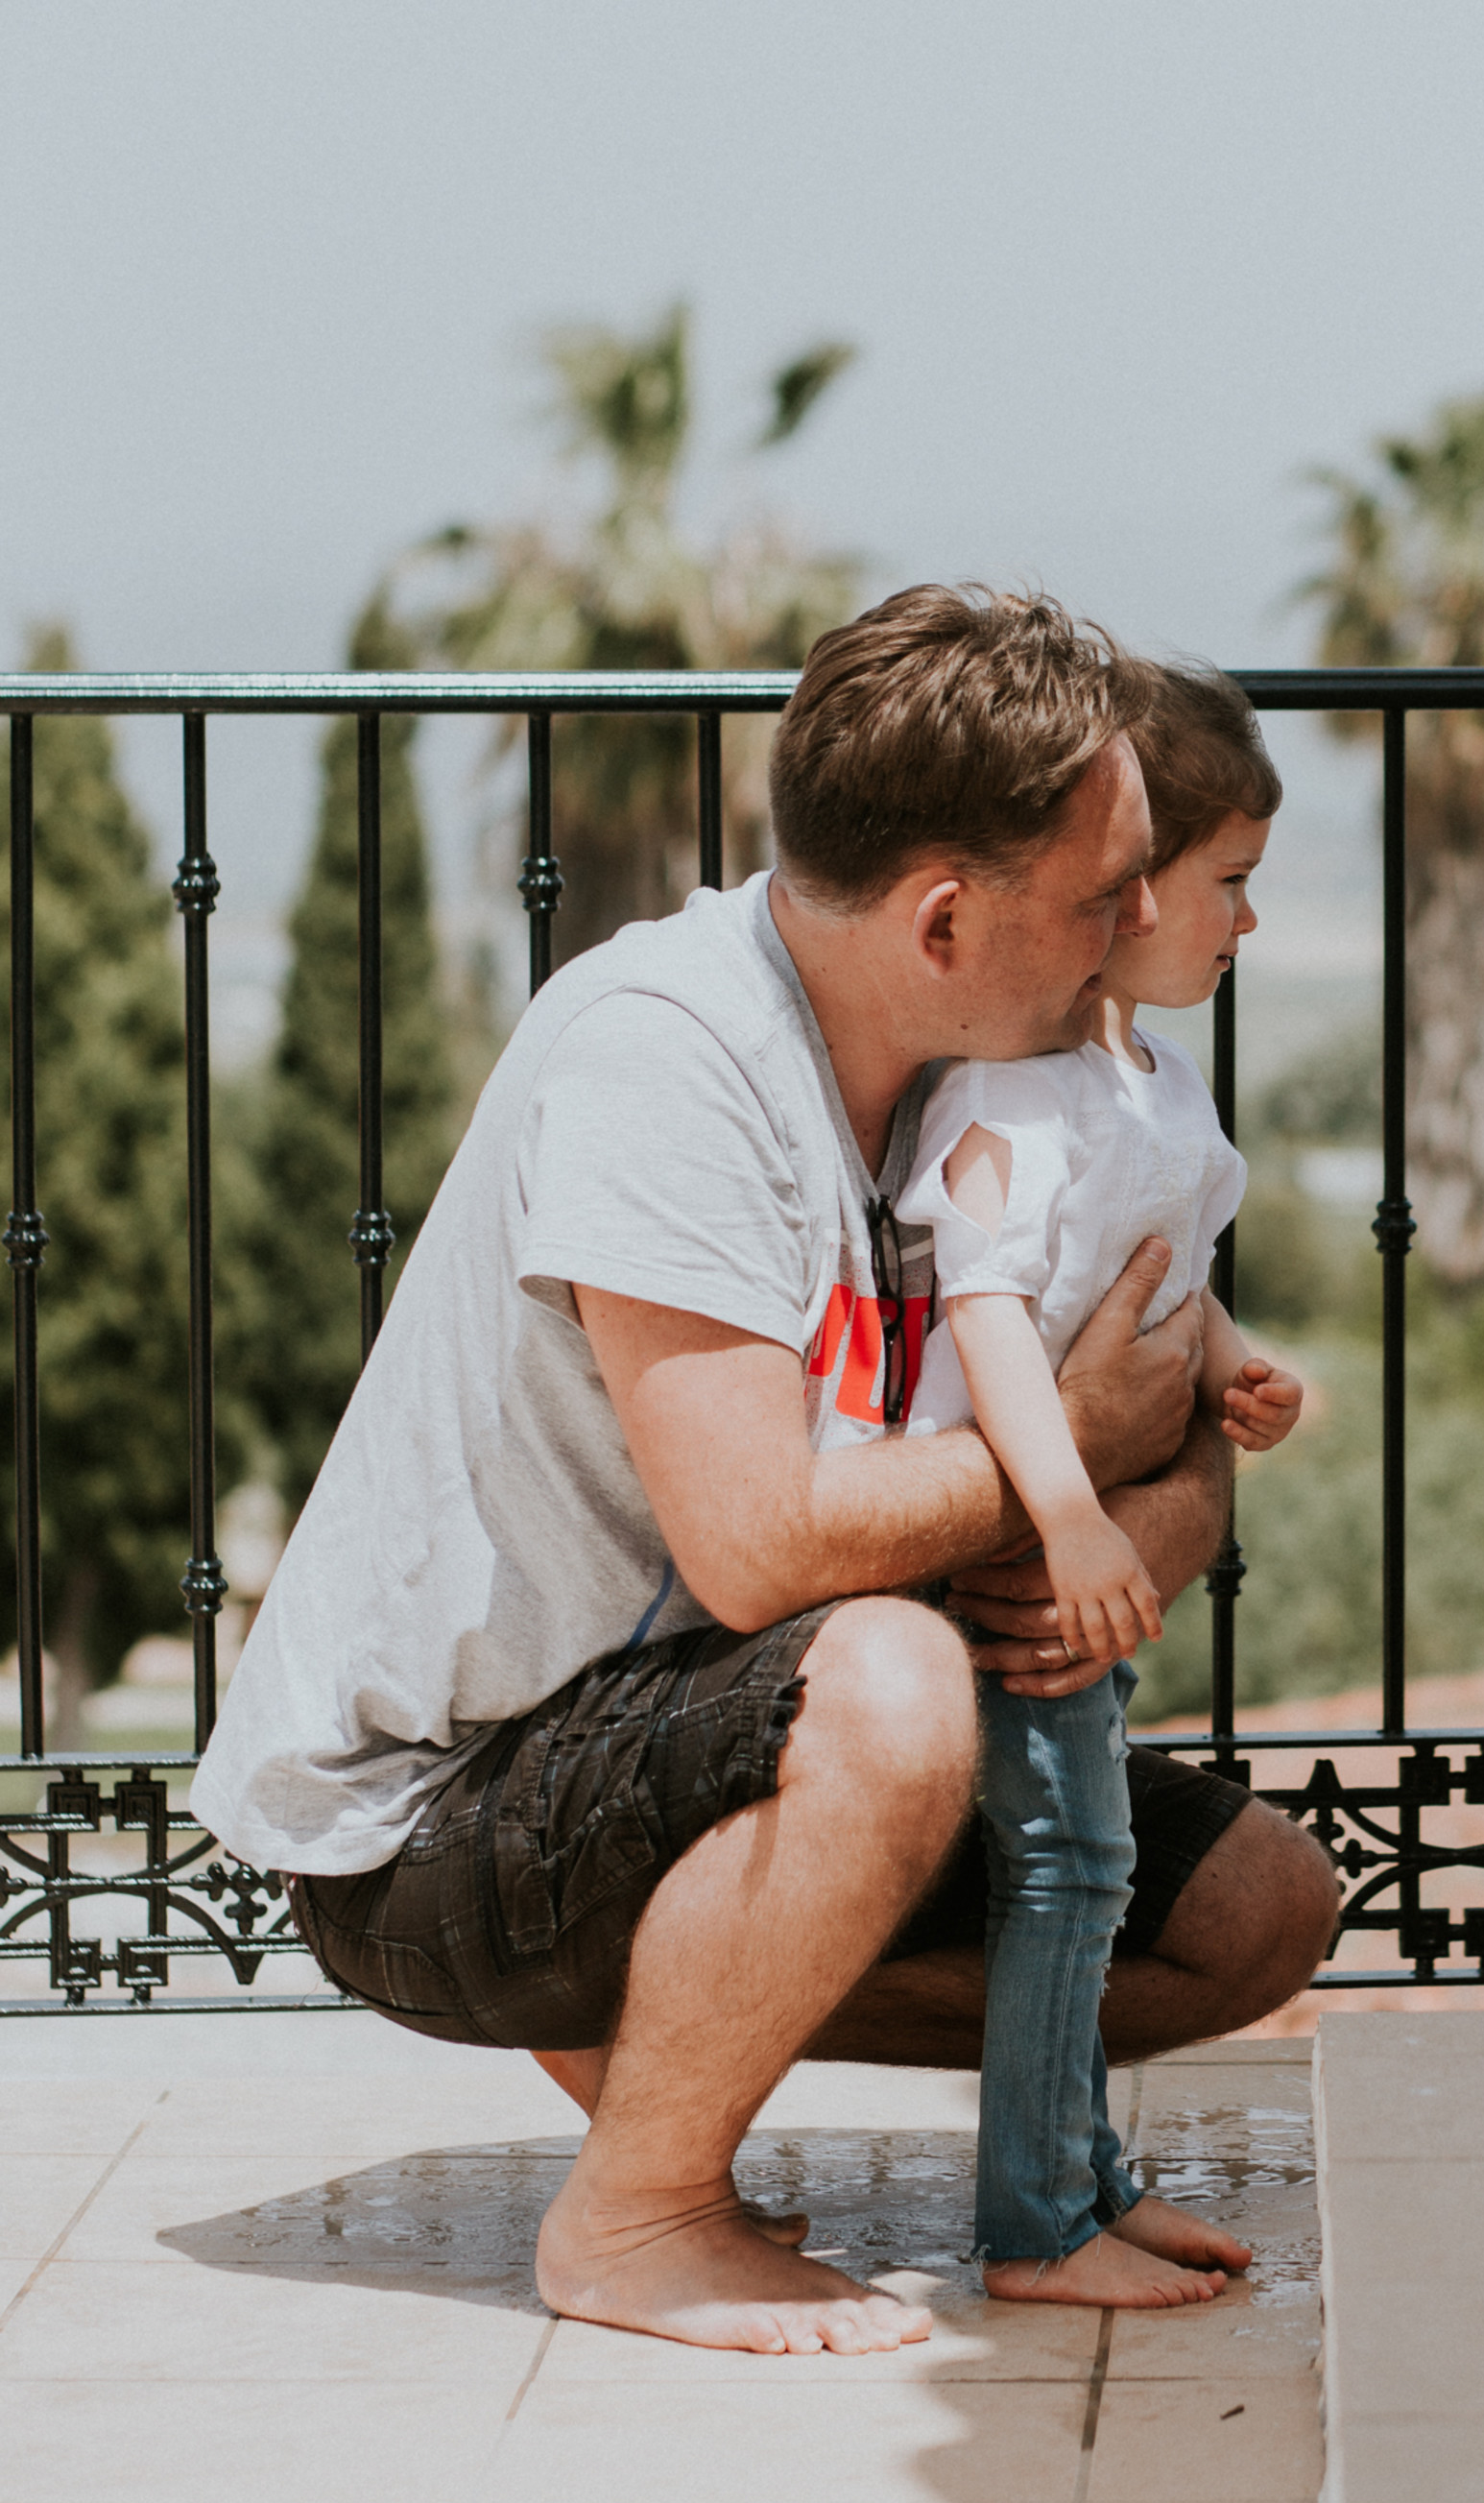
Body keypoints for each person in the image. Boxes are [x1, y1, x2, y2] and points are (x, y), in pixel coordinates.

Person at [191, 587, 1338, 2358]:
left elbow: (1164, 1428)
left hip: (690, 1737)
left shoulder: (1000, 1092)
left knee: (1256, 1910)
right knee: (886, 1682)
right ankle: (641, 2210)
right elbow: (766, 1550)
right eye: (1108, 889)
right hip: (433, 1812)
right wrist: (1078, 1459)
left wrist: (1123, 1490)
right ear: (948, 916)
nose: (1142, 920)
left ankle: (681, 2017)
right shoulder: (670, 1058)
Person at [896, 662, 1304, 2304]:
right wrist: (1064, 1514)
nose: (1245, 926)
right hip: (1006, 1556)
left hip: (1076, 1560)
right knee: (1065, 1868)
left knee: (1080, 1863)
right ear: (1128, 891)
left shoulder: (1148, 1087)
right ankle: (1036, 2226)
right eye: (1230, 885)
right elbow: (987, 1305)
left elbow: (1156, 1276)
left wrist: (1226, 1362)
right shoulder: (1005, 1090)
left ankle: (1086, 2177)